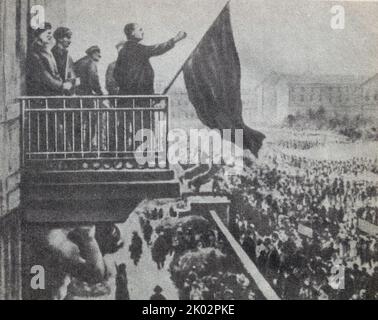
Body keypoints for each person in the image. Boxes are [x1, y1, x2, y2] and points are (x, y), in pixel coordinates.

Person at [114, 23, 187, 95]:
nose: (143, 32)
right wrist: (175, 39)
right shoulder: (136, 49)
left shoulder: (123, 51)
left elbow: (116, 74)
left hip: (127, 98)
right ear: (132, 33)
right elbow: (157, 49)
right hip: (139, 98)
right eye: (140, 30)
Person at [27, 23, 73, 96]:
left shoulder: (47, 52)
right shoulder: (35, 54)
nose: (51, 36)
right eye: (48, 33)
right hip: (44, 94)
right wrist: (62, 85)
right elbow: (44, 75)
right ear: (39, 34)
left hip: (54, 92)